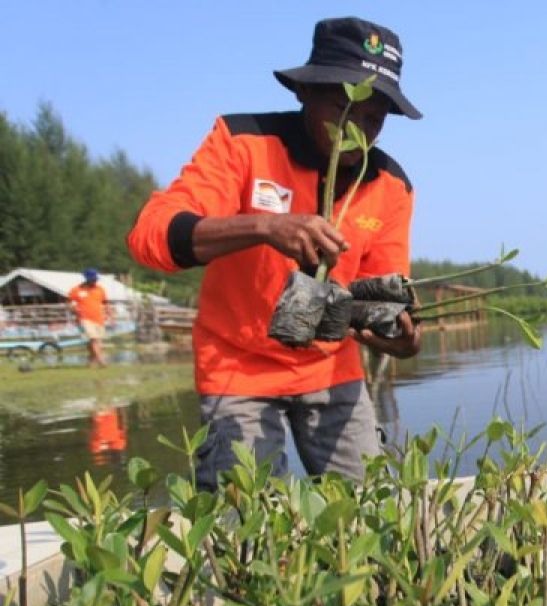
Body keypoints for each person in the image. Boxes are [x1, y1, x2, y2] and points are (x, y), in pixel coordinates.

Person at [126, 16, 423, 489]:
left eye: (373, 117)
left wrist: (402, 336)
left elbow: (384, 287)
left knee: (379, 508)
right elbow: (150, 237)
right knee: (245, 528)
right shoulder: (243, 143)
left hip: (332, 368)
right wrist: (264, 227)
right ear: (304, 91)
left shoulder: (391, 185)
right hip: (237, 368)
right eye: (343, 107)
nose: (357, 129)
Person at [67, 268, 108, 367]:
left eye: (95, 279)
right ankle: (101, 361)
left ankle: (91, 361)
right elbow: (70, 303)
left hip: (99, 319)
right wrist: (74, 309)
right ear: (86, 278)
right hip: (84, 318)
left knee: (96, 341)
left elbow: (105, 303)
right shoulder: (76, 290)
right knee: (94, 339)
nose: (94, 281)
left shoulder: (100, 289)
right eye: (92, 279)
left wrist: (108, 314)